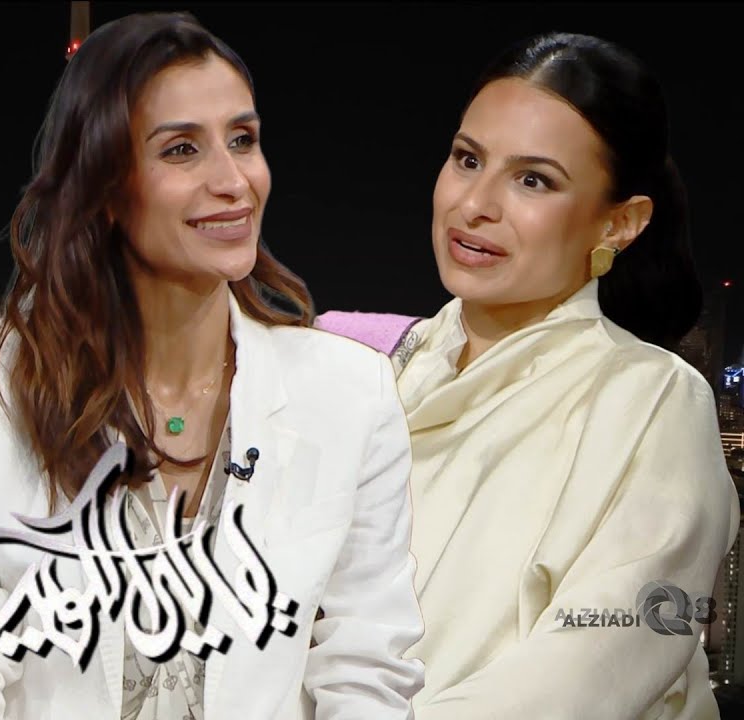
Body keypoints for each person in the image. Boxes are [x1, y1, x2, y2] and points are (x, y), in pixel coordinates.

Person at [0, 12, 424, 720]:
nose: (233, 180)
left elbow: (368, 674)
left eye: (243, 140)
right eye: (182, 150)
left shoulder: (350, 394)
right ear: (105, 186)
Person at [316, 32, 739, 720]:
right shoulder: (375, 369)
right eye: (467, 159)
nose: (475, 203)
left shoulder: (652, 399)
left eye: (533, 180)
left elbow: (587, 673)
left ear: (620, 223)